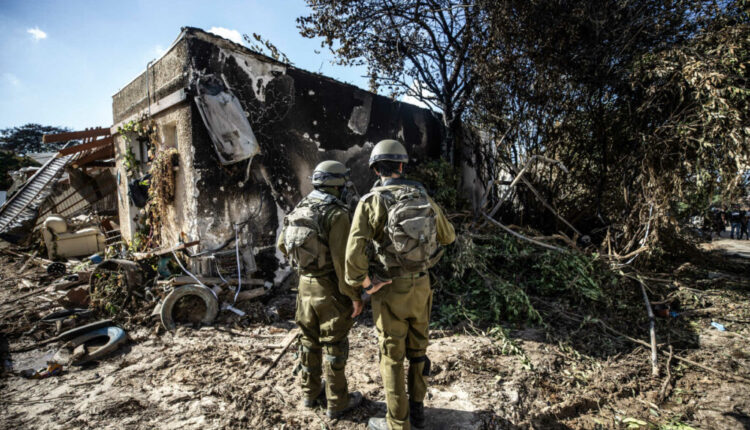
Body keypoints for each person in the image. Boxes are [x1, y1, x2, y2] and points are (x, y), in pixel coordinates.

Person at [345, 139, 456, 430]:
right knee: (418, 351)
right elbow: (449, 236)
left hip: (389, 288)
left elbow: (353, 257)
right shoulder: (422, 196)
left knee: (392, 356)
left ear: (375, 170)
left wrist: (367, 284)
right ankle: (418, 414)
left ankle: (397, 422)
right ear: (402, 166)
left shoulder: (371, 201)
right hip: (421, 286)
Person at [277, 160, 363, 418]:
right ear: (337, 185)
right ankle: (337, 402)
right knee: (334, 346)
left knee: (308, 342)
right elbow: (342, 262)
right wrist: (354, 296)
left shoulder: (301, 207)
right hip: (329, 290)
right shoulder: (336, 214)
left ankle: (310, 394)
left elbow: (282, 245)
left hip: (304, 288)